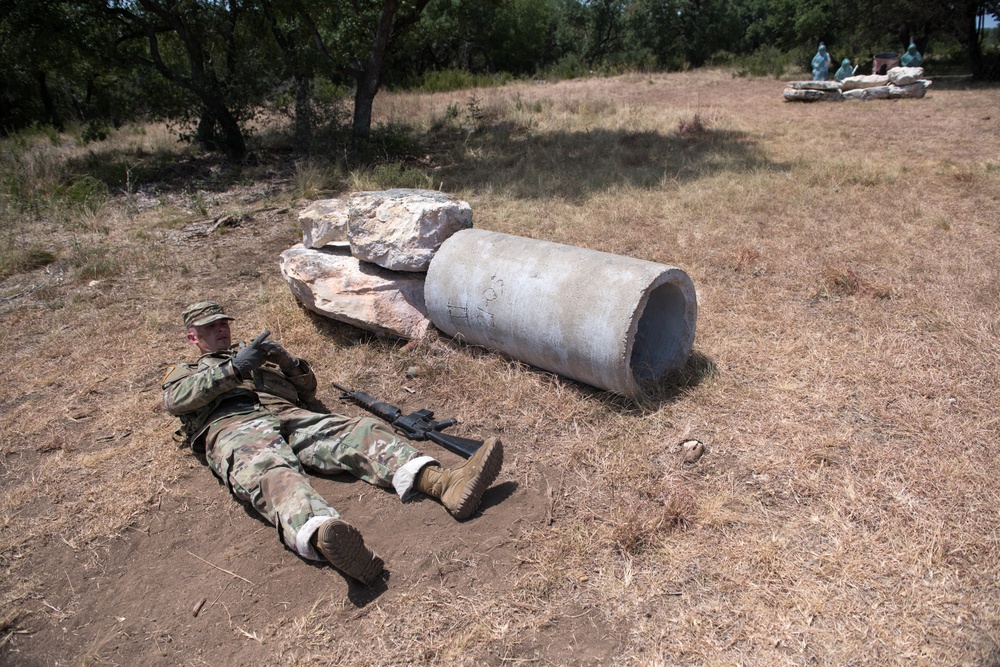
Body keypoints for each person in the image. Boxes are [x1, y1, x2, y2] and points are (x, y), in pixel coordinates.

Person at [162, 301, 504, 585]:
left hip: (289, 414)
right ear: (193, 337)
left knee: (359, 431)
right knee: (272, 473)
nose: (221, 329)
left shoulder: (255, 357)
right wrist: (233, 371)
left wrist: (287, 363)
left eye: (223, 323)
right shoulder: (187, 371)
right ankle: (326, 537)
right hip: (235, 426)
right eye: (210, 327)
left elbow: (307, 392)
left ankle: (444, 483)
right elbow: (176, 400)